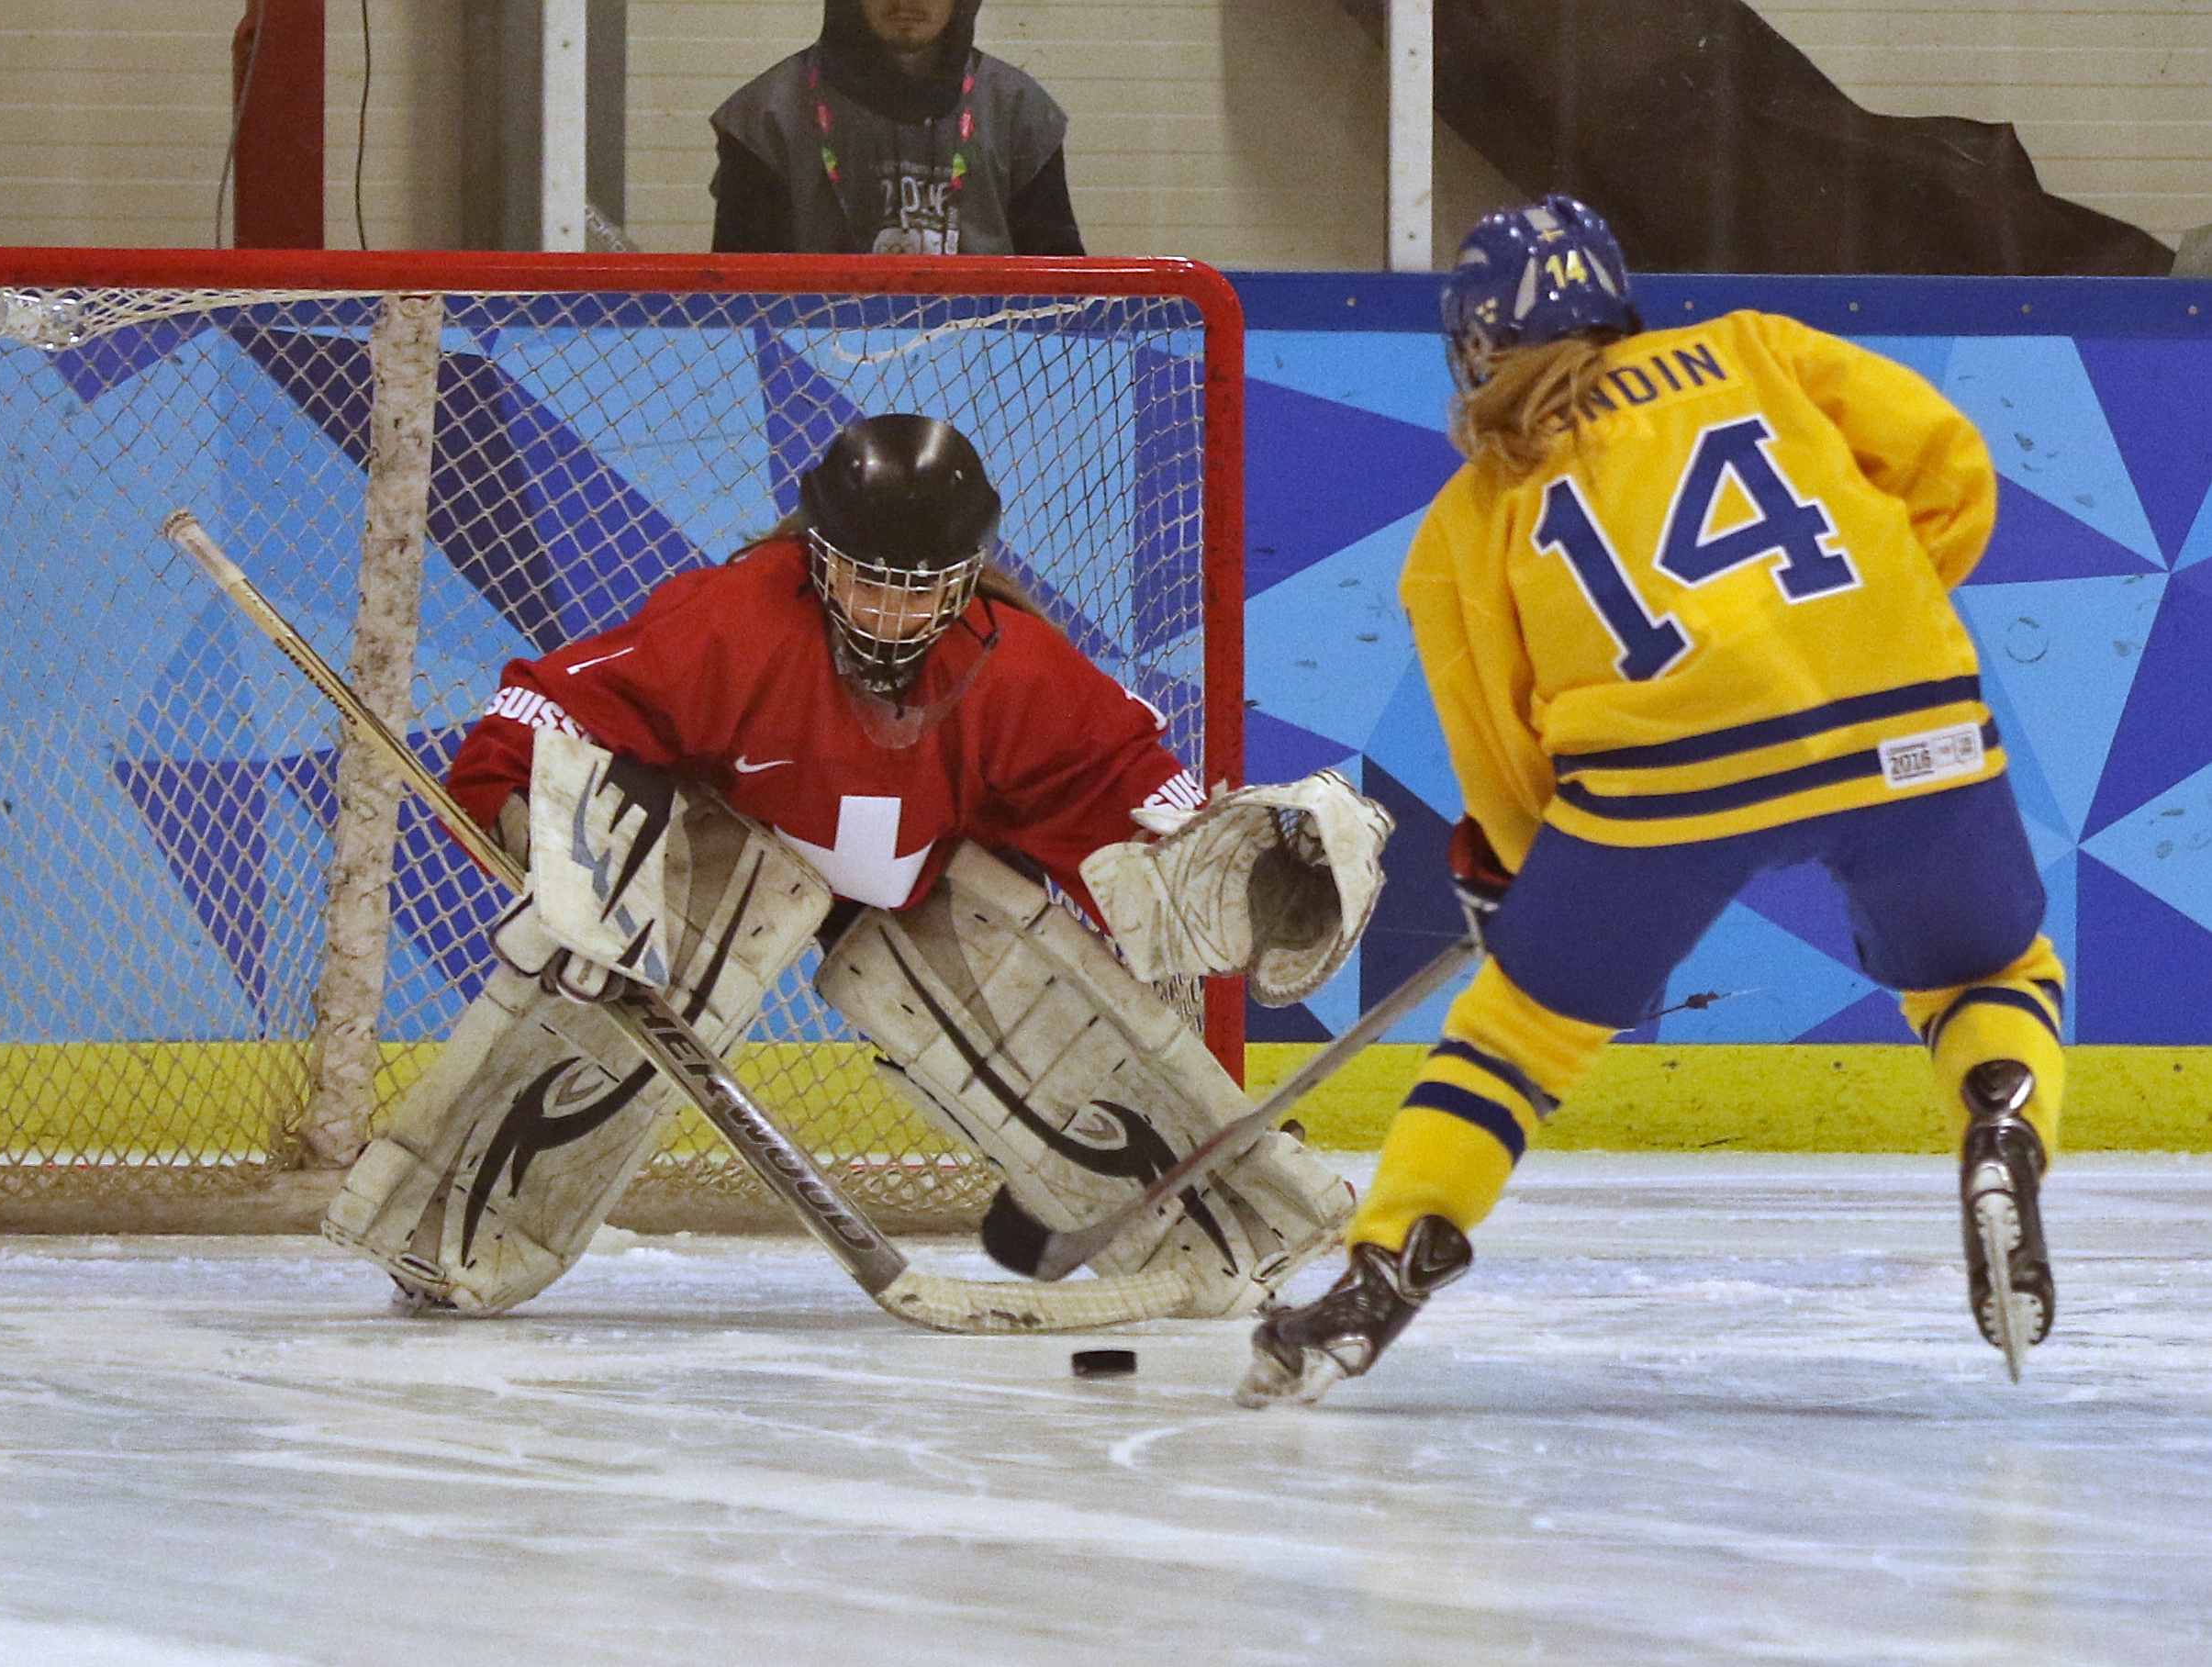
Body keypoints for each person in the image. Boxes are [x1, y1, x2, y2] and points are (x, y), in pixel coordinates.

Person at [1237, 196, 2067, 1408]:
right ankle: (2002, 1123)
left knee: (1516, 1041)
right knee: (1989, 972)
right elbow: (1948, 468)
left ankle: (1382, 1273)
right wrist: (1861, 630)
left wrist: (1531, 871)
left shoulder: (1472, 511)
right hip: (1907, 721)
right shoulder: (1755, 348)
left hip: (1664, 786)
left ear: (1475, 346)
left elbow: (1503, 755)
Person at [324, 413, 1391, 1326]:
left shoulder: (1018, 670)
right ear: (816, 555)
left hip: (923, 889)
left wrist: (1244, 859)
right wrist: (551, 840)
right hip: (733, 858)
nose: (889, 614)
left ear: (969, 577)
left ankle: (1230, 1220)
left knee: (1019, 978)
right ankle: (451, 1224)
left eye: (921, 589)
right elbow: (548, 708)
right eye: (866, 582)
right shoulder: (734, 621)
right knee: (624, 953)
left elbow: (1127, 789)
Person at [709, 0, 1085, 255]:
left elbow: (1064, 303)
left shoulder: (1019, 112)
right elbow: (740, 309)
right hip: (811, 365)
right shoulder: (765, 117)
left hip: (988, 361)